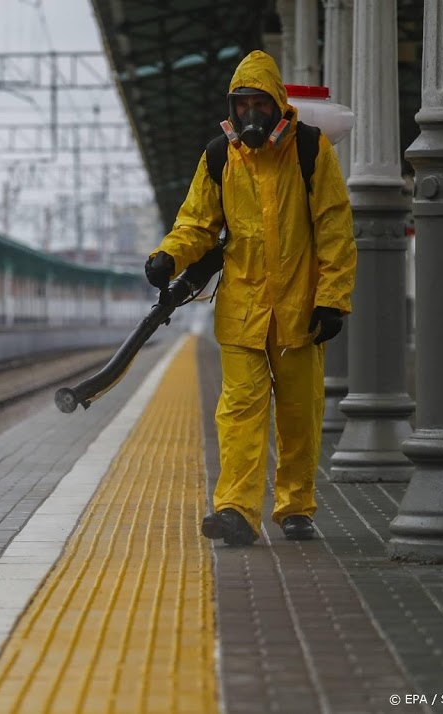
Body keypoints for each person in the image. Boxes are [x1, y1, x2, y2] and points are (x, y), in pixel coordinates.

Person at [144, 50, 356, 546]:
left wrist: (332, 298)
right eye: (243, 105)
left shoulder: (309, 149)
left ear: (278, 104)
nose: (251, 115)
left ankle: (296, 506)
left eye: (260, 103)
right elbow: (197, 223)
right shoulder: (221, 156)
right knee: (239, 410)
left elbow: (333, 228)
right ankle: (236, 510)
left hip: (299, 311)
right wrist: (167, 257)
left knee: (300, 415)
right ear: (233, 108)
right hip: (242, 311)